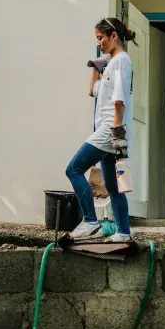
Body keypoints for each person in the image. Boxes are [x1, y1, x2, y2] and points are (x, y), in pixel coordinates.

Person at [65, 17, 135, 243]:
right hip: (110, 129)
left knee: (74, 169)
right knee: (114, 186)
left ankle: (90, 221)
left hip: (110, 129)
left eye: (101, 38)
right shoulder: (112, 62)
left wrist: (116, 133)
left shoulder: (122, 61)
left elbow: (120, 100)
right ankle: (123, 232)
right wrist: (96, 66)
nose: (99, 44)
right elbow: (93, 91)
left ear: (114, 36)